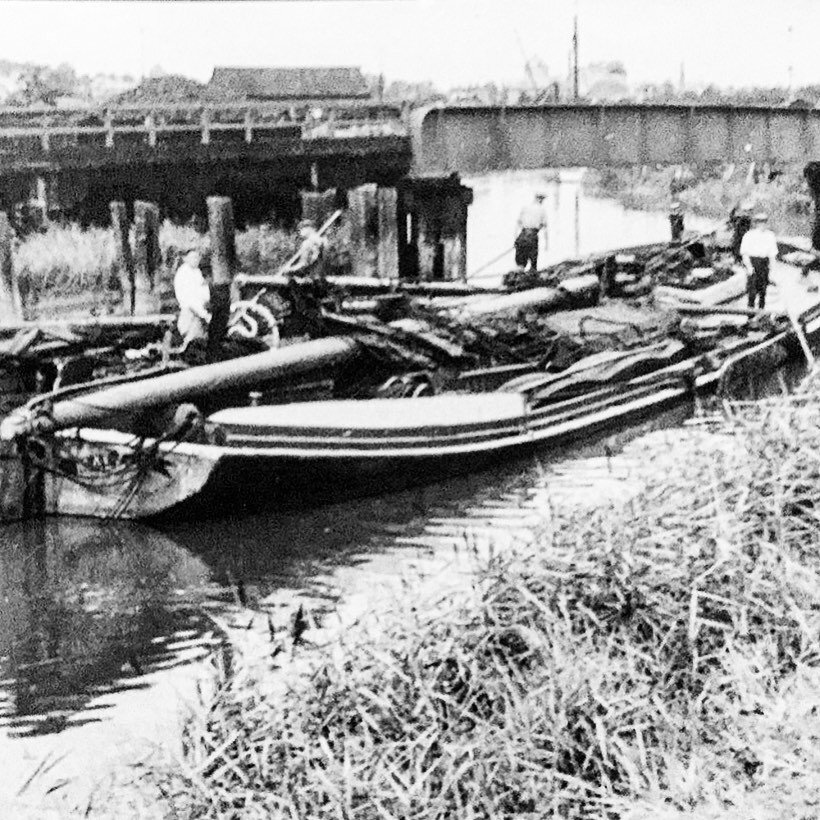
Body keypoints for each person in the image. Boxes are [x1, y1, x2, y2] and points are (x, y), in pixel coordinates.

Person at [739, 212, 778, 309]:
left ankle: (761, 312)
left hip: (764, 263)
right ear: (756, 224)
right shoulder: (749, 235)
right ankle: (750, 314)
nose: (762, 225)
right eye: (760, 223)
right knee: (752, 291)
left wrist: (772, 269)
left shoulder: (770, 235)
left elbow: (772, 254)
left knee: (763, 291)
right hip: (753, 262)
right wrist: (749, 267)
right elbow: (744, 253)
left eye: (764, 223)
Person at [173, 248, 211, 348]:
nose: (196, 260)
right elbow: (189, 300)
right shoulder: (184, 273)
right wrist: (205, 315)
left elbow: (203, 291)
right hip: (190, 313)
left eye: (197, 257)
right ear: (186, 259)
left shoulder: (196, 272)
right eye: (193, 257)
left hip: (200, 311)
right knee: (193, 341)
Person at [515, 192, 548, 271]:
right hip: (532, 236)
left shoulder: (525, 207)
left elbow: (518, 223)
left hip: (522, 235)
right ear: (540, 200)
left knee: (520, 262)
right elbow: (544, 226)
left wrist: (516, 240)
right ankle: (532, 275)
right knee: (533, 261)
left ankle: (520, 274)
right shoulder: (542, 210)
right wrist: (547, 244)